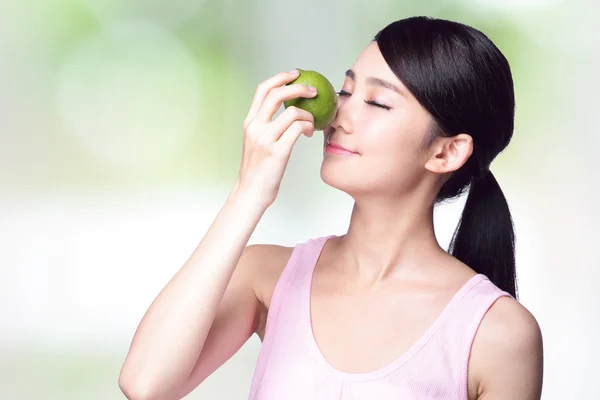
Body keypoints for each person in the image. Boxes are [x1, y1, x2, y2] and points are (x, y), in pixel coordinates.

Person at [119, 16, 543, 400]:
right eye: (345, 90)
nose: (339, 115)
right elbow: (146, 385)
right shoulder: (268, 277)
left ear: (446, 152)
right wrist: (249, 192)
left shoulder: (497, 333)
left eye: (377, 103)